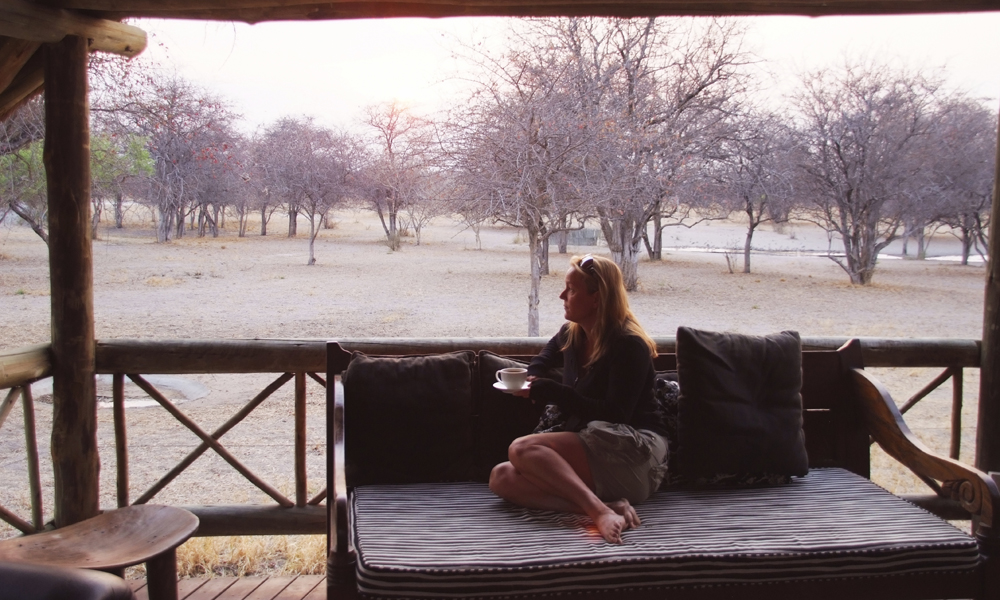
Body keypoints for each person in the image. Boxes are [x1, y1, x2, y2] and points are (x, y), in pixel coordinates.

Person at [489, 254, 668, 544]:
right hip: (596, 443)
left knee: (521, 449)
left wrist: (551, 391)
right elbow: (545, 357)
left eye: (571, 289)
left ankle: (598, 512)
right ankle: (609, 508)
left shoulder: (628, 345)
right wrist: (533, 376)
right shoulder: (574, 333)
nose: (562, 295)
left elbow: (616, 413)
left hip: (634, 451)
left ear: (597, 298)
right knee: (501, 477)